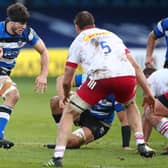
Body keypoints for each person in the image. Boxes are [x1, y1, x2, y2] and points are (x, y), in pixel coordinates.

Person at [45, 11, 155, 167]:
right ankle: (141, 143)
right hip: (126, 76)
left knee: (69, 111)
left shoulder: (79, 40)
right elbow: (136, 66)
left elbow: (68, 74)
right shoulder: (112, 35)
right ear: (94, 24)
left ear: (77, 27)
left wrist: (66, 93)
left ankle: (57, 157)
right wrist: (149, 92)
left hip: (100, 78)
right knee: (130, 105)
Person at [0, 2, 48, 149]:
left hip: (4, 73)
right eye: (21, 23)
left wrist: (43, 75)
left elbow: (44, 51)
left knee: (12, 96)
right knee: (12, 95)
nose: (23, 26)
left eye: (25, 23)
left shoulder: (27, 33)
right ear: (11, 21)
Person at [47, 74, 131, 150]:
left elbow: (124, 120)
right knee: (55, 101)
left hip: (98, 123)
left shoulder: (116, 93)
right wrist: (63, 97)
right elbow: (61, 79)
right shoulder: (90, 78)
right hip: (83, 111)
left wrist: (126, 146)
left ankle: (68, 140)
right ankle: (62, 135)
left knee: (71, 141)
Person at [142, 68, 168, 154]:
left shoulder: (149, 81)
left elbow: (147, 109)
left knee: (150, 111)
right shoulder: (161, 75)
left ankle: (143, 144)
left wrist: (142, 142)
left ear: (146, 76)